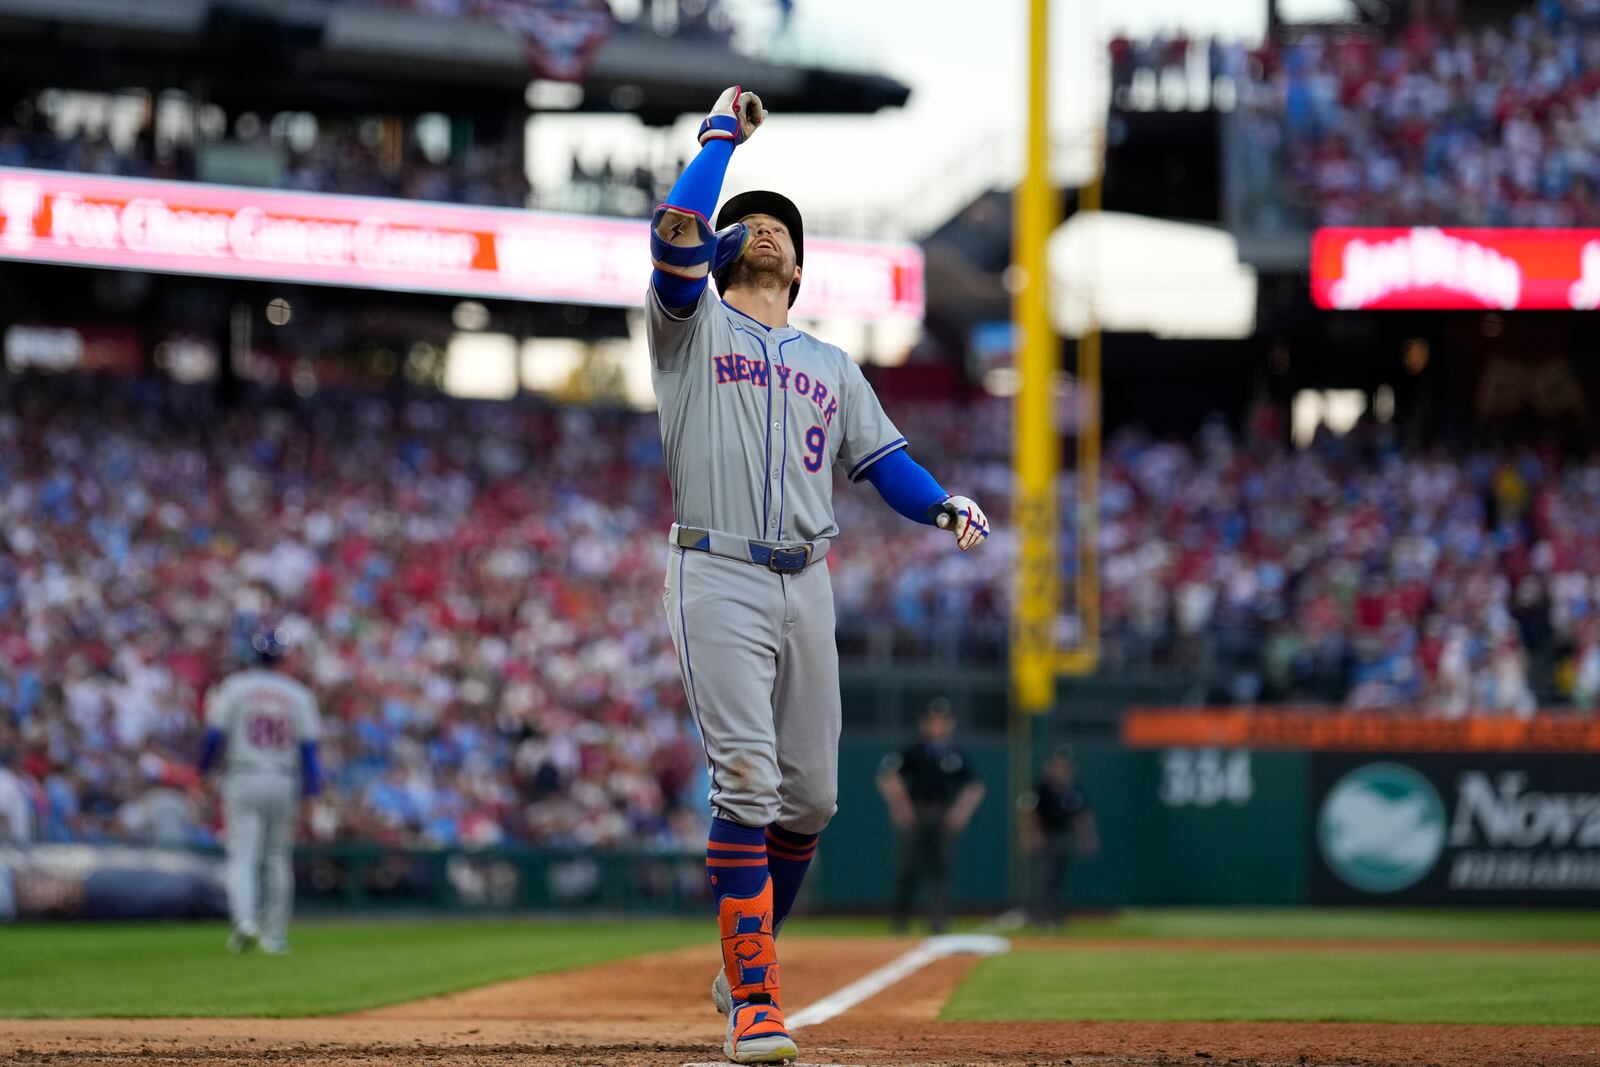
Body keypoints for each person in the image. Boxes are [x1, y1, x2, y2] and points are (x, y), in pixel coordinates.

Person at [646, 86, 991, 1065]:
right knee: (747, 778)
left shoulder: (832, 364)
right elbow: (675, 226)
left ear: (798, 263)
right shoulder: (688, 330)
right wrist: (720, 138)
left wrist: (942, 503)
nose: (765, 232)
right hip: (715, 569)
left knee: (812, 798)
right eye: (748, 223)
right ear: (723, 252)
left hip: (807, 579)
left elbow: (886, 462)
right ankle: (754, 1001)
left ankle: (743, 957)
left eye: (780, 228)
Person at [198, 629, 322, 955]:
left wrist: (202, 772)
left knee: (243, 855)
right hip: (284, 778)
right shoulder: (298, 694)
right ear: (283, 657)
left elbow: (213, 737)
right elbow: (310, 752)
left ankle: (245, 923)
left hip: (243, 774)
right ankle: (275, 936)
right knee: (277, 859)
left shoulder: (236, 687)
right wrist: (312, 793)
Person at [876, 698, 986, 935]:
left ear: (951, 724)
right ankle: (900, 921)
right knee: (908, 869)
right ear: (924, 723)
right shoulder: (915, 749)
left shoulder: (956, 754)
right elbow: (888, 776)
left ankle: (938, 921)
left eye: (943, 721)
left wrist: (960, 812)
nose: (938, 726)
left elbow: (974, 786)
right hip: (917, 813)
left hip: (942, 814)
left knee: (941, 870)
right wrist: (901, 807)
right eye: (933, 721)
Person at [1019, 746, 1099, 927]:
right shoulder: (1040, 788)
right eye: (1058, 765)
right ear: (1050, 767)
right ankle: (1038, 916)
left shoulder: (1073, 790)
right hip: (1045, 836)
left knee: (1058, 878)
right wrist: (1031, 835)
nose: (1062, 770)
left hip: (1063, 836)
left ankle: (1055, 915)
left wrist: (1087, 837)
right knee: (1042, 879)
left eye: (1065, 766)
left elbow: (1083, 815)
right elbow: (1028, 812)